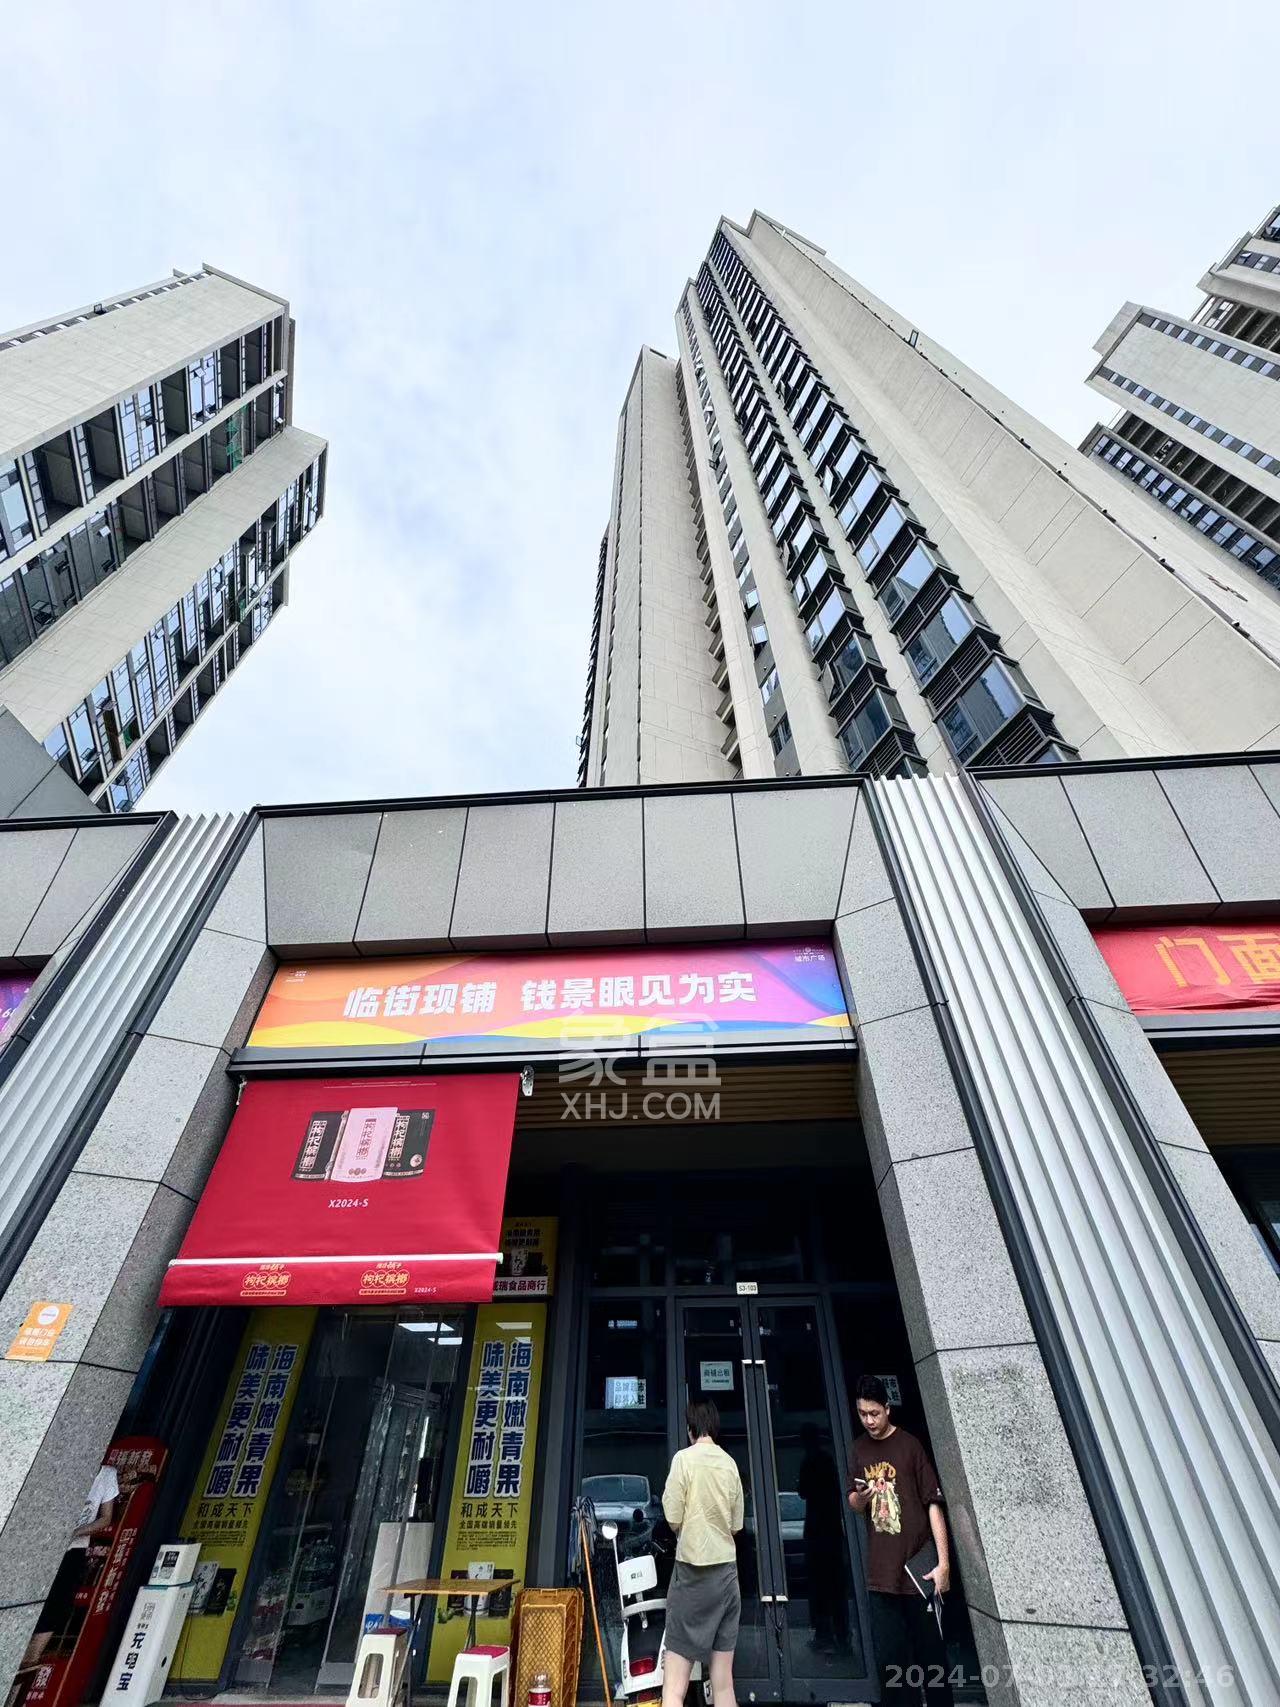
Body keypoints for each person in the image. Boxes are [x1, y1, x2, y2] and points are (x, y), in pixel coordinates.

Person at [846, 1376, 953, 1706]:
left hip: (918, 1572)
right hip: (881, 1574)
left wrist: (944, 1564)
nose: (869, 1421)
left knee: (932, 1664)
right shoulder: (858, 1449)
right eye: (863, 1414)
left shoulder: (910, 1446)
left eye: (874, 1413)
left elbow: (933, 1504)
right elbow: (853, 1503)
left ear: (887, 1409)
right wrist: (862, 1497)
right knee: (892, 1667)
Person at [660, 1400, 744, 1707]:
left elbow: (672, 1517)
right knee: (723, 1683)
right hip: (726, 1577)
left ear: (690, 1428)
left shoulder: (683, 1460)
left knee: (674, 1688)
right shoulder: (729, 1463)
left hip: (691, 1575)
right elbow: (736, 1525)